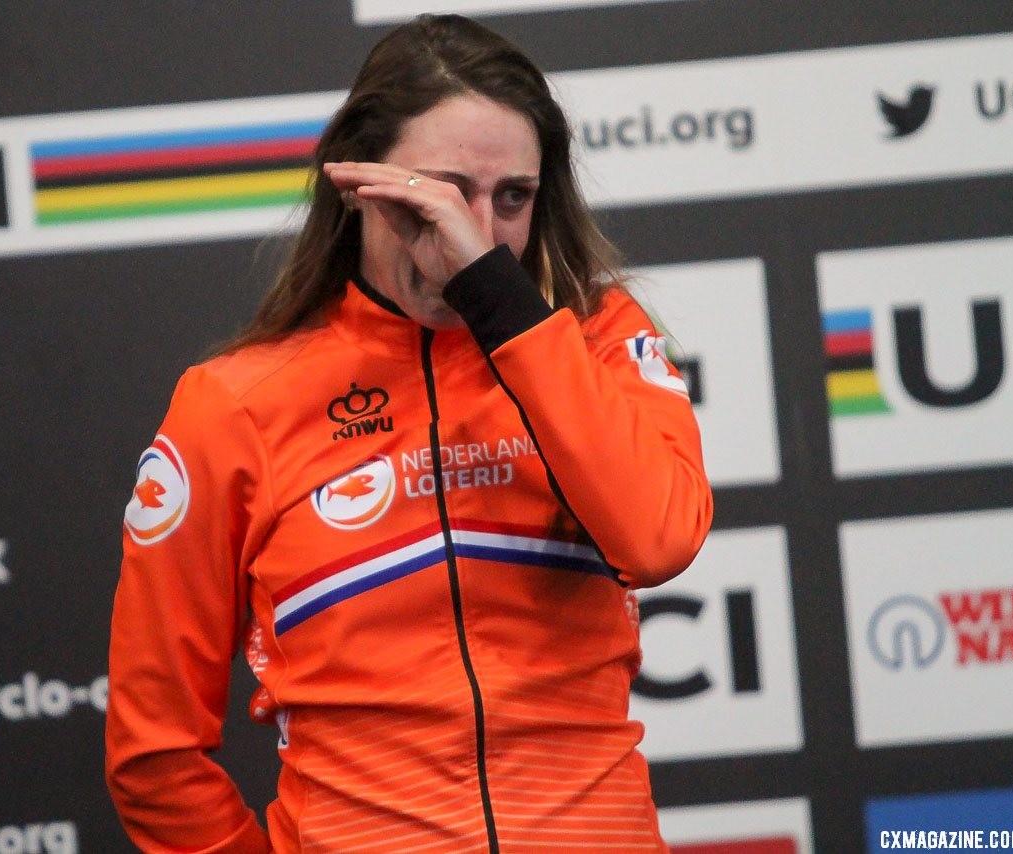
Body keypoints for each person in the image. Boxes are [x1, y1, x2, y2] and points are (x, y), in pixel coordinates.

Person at [106, 13, 712, 853]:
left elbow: (657, 540)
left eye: (512, 199)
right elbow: (155, 754)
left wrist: (502, 306)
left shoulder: (595, 340)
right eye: (440, 194)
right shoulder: (234, 405)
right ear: (354, 183)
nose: (474, 233)